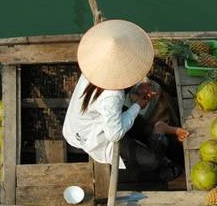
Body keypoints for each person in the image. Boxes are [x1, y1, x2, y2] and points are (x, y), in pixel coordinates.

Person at [63, 20, 189, 183]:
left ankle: (159, 131)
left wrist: (138, 88)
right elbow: (114, 134)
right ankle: (159, 134)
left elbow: (112, 95)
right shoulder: (112, 95)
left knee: (139, 125)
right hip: (93, 135)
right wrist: (137, 106)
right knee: (152, 161)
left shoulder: (95, 66)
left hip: (96, 118)